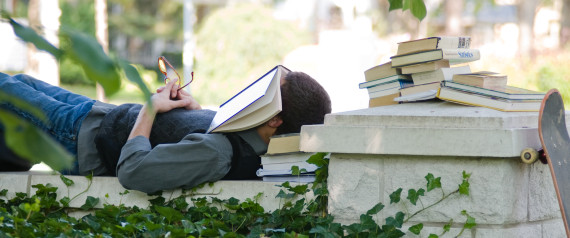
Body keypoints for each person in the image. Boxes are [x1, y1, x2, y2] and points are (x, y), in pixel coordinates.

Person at [0, 70, 331, 193]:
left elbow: (133, 171)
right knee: (23, 84)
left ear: (274, 120)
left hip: (80, 138)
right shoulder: (249, 136)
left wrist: (151, 108)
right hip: (98, 118)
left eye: (269, 94)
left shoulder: (219, 153)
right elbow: (202, 137)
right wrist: (193, 112)